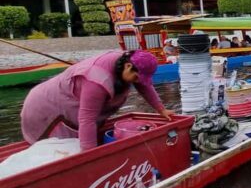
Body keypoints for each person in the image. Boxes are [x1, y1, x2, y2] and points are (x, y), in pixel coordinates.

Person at [20, 50, 174, 151]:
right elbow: (87, 119)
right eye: (135, 77)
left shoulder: (128, 61)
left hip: (70, 104)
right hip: (45, 108)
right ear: (128, 66)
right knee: (54, 149)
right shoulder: (97, 80)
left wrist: (161, 109)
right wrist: (90, 155)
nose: (137, 81)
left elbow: (144, 85)